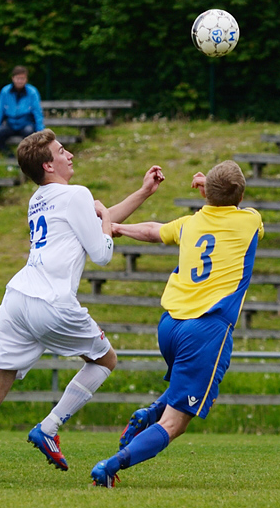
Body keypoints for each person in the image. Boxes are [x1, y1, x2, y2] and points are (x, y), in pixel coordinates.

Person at [0, 128, 164, 482]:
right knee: (105, 360)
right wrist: (104, 217)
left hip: (17, 299)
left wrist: (141, 194)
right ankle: (49, 427)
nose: (70, 155)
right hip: (52, 301)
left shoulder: (39, 198)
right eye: (63, 151)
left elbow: (94, 221)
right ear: (49, 164)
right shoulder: (77, 194)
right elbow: (102, 253)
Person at [91, 160, 264, 487]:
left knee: (181, 388)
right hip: (206, 329)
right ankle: (111, 466)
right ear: (240, 194)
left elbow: (155, 230)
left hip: (170, 326)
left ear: (208, 196)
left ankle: (147, 414)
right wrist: (212, 190)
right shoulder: (250, 221)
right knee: (175, 424)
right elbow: (231, 207)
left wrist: (119, 227)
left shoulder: (191, 224)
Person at [0, 65, 44, 157]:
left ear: (26, 79)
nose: (20, 81)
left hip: (26, 124)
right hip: (10, 124)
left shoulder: (32, 92)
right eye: (17, 78)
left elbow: (37, 113)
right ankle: (9, 155)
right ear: (13, 78)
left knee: (30, 133)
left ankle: (25, 157)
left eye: (22, 78)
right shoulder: (5, 91)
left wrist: (41, 131)